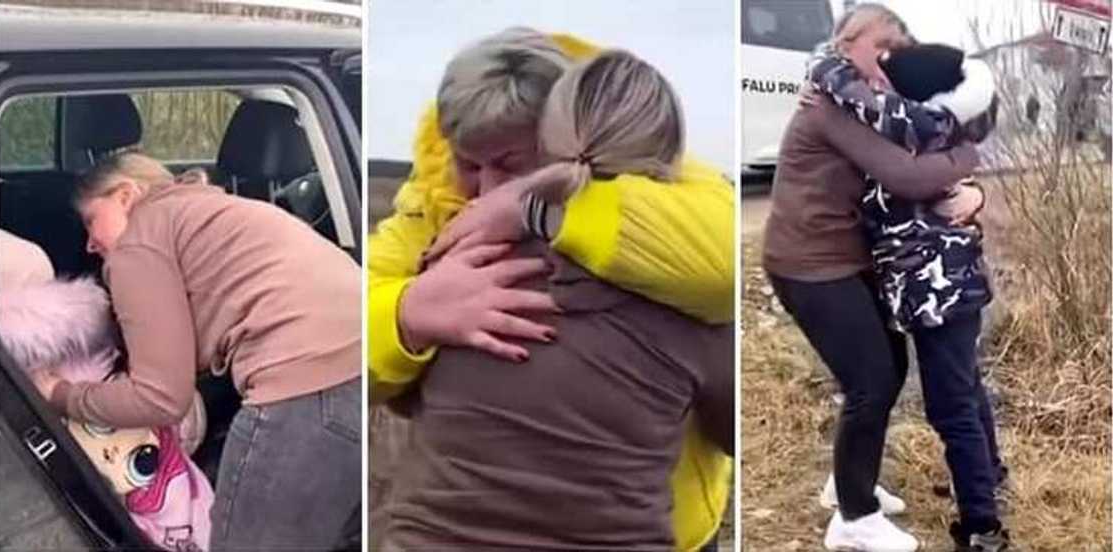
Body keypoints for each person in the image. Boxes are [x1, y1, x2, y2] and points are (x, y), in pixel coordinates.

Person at [368, 28, 734, 552]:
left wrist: (540, 210)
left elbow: (723, 256)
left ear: (565, 136)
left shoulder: (669, 184)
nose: (490, 188)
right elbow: (341, 344)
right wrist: (406, 314)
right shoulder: (432, 214)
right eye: (470, 164)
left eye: (513, 165)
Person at [28, 153, 362, 551]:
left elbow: (159, 398)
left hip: (306, 387)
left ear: (125, 195)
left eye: (90, 220)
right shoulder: (210, 208)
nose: (89, 241)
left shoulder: (138, 240)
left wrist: (58, 395)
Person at [762, 4, 983, 551]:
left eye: (897, 49)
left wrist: (975, 192)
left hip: (847, 258)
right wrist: (972, 153)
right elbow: (904, 175)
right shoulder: (828, 101)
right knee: (871, 381)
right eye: (879, 45)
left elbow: (923, 150)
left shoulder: (872, 101)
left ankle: (848, 484)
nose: (889, 59)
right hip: (808, 262)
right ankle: (854, 521)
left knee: (888, 367)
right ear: (845, 43)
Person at [806, 38, 1011, 550]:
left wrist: (827, 62)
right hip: (950, 292)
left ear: (915, 95)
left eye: (889, 82)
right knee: (967, 388)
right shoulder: (941, 127)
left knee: (951, 407)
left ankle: (983, 526)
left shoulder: (915, 128)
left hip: (937, 296)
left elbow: (862, 100)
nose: (879, 87)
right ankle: (989, 474)